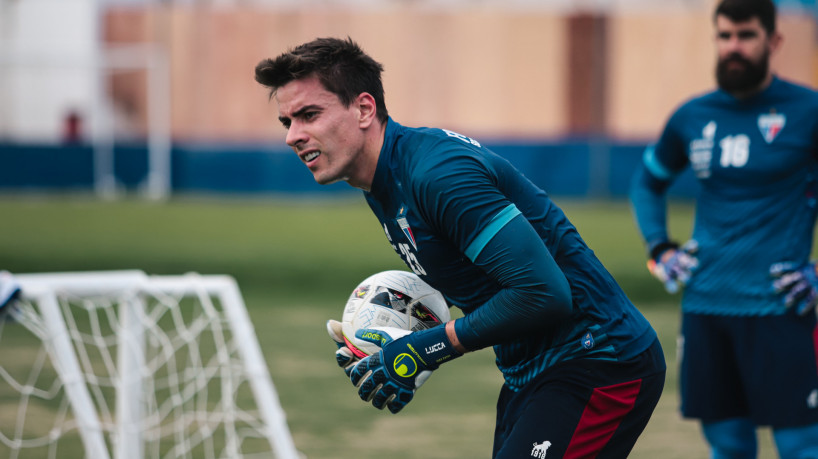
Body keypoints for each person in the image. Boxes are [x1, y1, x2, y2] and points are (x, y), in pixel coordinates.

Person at [256, 37, 666, 458]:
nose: (293, 136)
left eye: (309, 115)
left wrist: (424, 349)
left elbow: (543, 293)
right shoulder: (383, 182)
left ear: (364, 109)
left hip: (598, 359)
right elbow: (472, 277)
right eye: (286, 121)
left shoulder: (437, 175)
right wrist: (388, 338)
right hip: (531, 370)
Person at [629, 0, 818, 457]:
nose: (734, 47)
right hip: (707, 308)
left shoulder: (808, 111)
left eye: (747, 35)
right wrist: (660, 248)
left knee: (801, 445)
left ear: (773, 41)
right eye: (725, 35)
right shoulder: (692, 116)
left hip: (782, 310)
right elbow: (647, 183)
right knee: (728, 446)